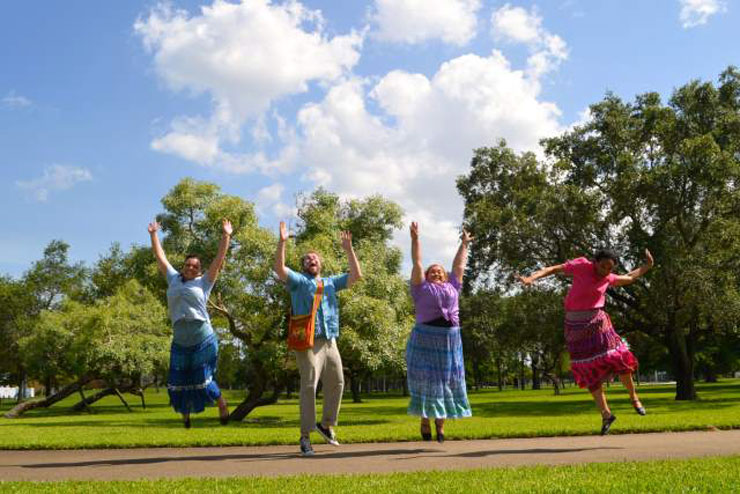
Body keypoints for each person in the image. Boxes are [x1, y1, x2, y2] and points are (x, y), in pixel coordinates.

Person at [517, 248, 654, 435]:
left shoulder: (608, 278)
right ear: (594, 262)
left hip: (598, 322)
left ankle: (634, 398)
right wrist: (531, 278)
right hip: (575, 327)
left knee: (619, 358)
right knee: (587, 370)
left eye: (609, 268)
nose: (605, 270)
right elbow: (553, 269)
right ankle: (606, 414)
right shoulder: (581, 266)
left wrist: (647, 266)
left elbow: (629, 278)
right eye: (603, 265)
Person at [273, 221, 362, 456]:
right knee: (309, 386)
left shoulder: (330, 282)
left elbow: (356, 276)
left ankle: (326, 424)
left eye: (315, 258)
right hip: (309, 343)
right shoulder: (299, 282)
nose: (312, 260)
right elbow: (279, 269)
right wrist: (282, 242)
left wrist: (348, 248)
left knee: (338, 382)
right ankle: (305, 437)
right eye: (307, 259)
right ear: (303, 265)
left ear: (320, 264)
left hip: (331, 341)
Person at [148, 219, 232, 428]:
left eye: (195, 266)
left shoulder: (204, 282)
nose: (191, 268)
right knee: (179, 380)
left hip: (202, 338)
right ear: (183, 267)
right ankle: (185, 415)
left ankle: (222, 404)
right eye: (188, 265)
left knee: (203, 378)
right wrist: (153, 235)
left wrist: (226, 236)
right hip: (180, 340)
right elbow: (160, 257)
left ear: (199, 270)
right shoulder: (173, 279)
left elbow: (218, 259)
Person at [406, 222, 473, 443]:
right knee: (426, 382)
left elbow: (459, 267)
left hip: (449, 341)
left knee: (447, 382)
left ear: (445, 275)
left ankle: (441, 426)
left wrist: (464, 244)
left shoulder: (454, 285)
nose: (436, 272)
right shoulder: (420, 287)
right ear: (427, 275)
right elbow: (417, 262)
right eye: (432, 271)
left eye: (439, 271)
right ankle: (425, 421)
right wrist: (415, 239)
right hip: (425, 339)